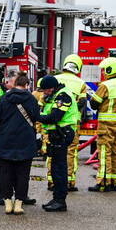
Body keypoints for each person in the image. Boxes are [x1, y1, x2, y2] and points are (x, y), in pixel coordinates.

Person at [0, 74, 40, 214]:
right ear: (26, 85)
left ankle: (7, 203)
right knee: (23, 174)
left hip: (5, 140)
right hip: (25, 141)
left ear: (14, 85)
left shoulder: (4, 98)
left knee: (5, 172)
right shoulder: (31, 99)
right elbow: (37, 117)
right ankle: (19, 204)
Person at [87, 56, 116, 192]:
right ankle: (115, 182)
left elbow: (94, 104)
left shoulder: (105, 86)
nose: (103, 73)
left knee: (104, 153)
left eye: (104, 70)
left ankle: (103, 182)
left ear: (109, 69)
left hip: (106, 125)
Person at [37, 75, 78, 212]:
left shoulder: (63, 96)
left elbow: (55, 117)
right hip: (56, 135)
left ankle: (60, 201)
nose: (44, 93)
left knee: (59, 168)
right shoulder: (53, 96)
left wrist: (37, 117)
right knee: (55, 167)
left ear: (52, 87)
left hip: (63, 134)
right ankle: (56, 199)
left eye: (46, 90)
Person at [53, 54, 87, 192]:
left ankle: (52, 181)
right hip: (72, 123)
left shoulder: (54, 79)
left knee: (53, 150)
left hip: (54, 122)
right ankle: (69, 181)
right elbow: (82, 103)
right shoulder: (80, 83)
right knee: (71, 151)